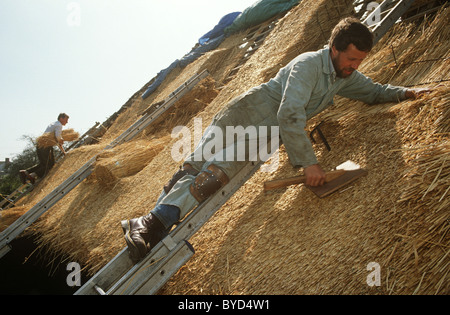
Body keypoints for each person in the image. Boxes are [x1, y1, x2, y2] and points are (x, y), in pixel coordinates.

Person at [121, 17, 429, 262]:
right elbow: (290, 112)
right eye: (351, 59)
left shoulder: (342, 75)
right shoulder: (309, 65)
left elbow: (373, 91)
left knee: (207, 176)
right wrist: (308, 162)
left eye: (360, 61)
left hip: (263, 130)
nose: (355, 66)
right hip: (247, 117)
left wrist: (405, 92)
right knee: (196, 173)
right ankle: (150, 224)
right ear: (334, 48)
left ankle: (147, 225)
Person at [19, 113, 69, 184]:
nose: (67, 122)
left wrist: (61, 146)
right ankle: (32, 175)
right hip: (46, 146)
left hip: (40, 145)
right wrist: (61, 140)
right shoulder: (59, 125)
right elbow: (58, 137)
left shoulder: (53, 124)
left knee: (43, 164)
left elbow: (56, 139)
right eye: (66, 120)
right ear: (61, 118)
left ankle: (26, 172)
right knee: (50, 164)